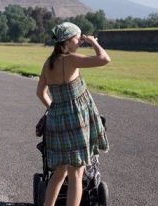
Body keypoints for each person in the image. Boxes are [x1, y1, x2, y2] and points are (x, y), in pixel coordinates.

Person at [36, 22, 110, 206]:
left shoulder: (48, 63)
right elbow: (104, 59)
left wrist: (55, 107)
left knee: (59, 172)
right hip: (76, 121)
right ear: (67, 42)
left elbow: (40, 92)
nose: (80, 42)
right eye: (77, 38)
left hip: (56, 121)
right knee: (77, 172)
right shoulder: (71, 59)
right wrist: (93, 42)